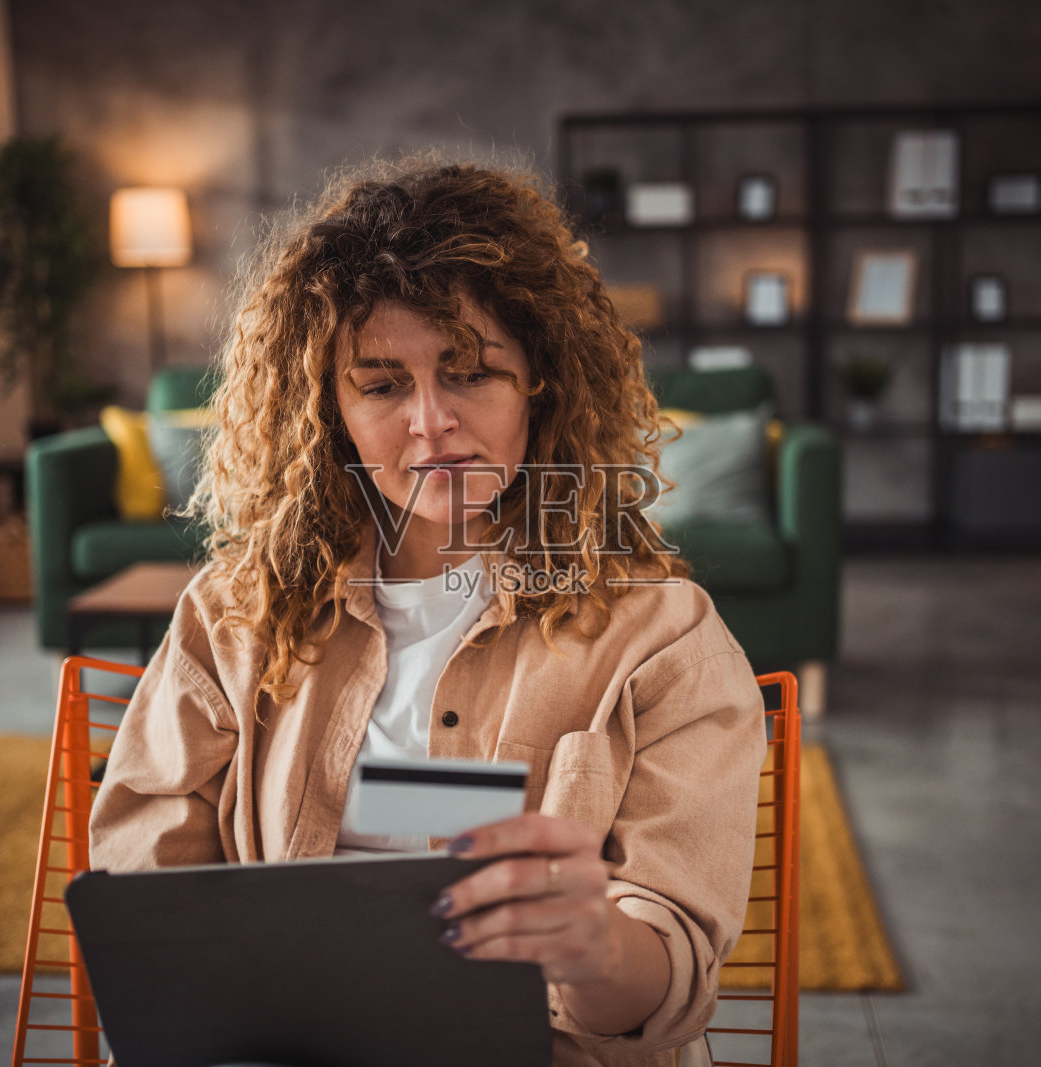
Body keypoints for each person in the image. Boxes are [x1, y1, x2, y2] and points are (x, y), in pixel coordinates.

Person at [89, 153, 769, 1067]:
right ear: (328, 411)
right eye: (381, 385)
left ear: (541, 384)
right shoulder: (234, 617)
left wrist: (594, 944)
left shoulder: (664, 638)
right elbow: (146, 887)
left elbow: (669, 973)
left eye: (471, 373)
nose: (429, 422)